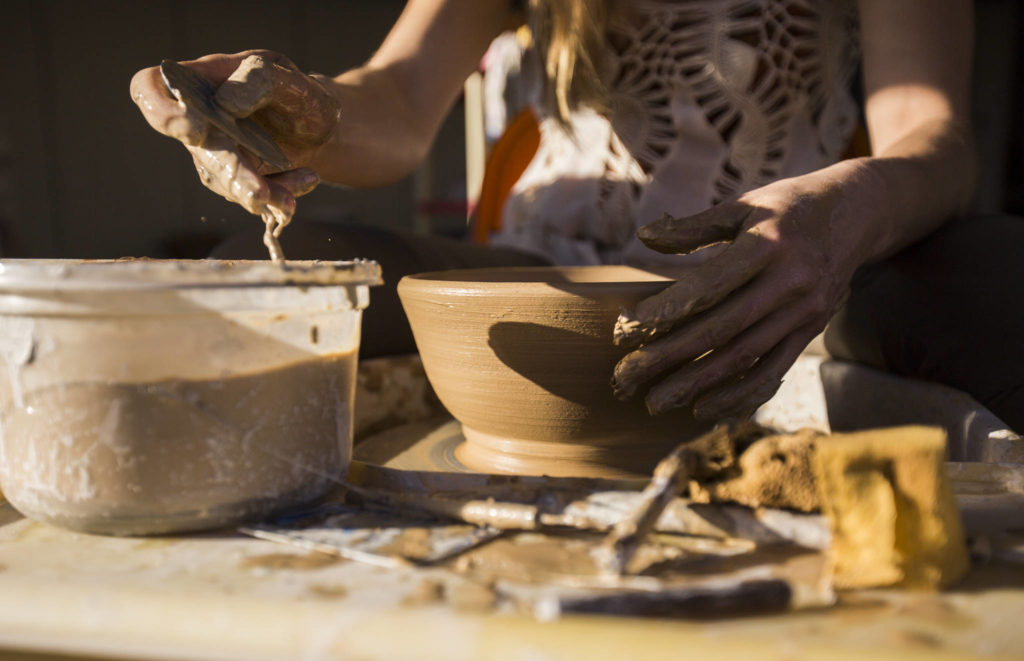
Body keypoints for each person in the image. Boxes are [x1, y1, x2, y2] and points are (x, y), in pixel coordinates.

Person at [131, 0, 1024, 432]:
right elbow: (400, 102)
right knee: (261, 272)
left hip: (784, 266)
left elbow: (932, 135)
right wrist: (305, 109)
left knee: (998, 280)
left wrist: (843, 219)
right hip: (549, 267)